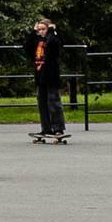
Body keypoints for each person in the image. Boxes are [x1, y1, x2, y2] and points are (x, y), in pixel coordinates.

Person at [24, 13, 69, 142]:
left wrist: (51, 31)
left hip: (51, 76)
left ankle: (58, 128)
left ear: (49, 29)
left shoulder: (55, 39)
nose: (41, 32)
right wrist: (33, 32)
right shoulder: (37, 41)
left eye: (43, 29)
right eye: (40, 30)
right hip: (40, 76)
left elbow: (53, 44)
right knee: (42, 103)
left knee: (54, 103)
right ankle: (46, 128)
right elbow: (26, 46)